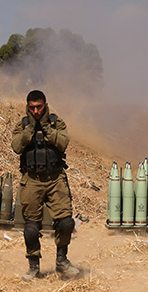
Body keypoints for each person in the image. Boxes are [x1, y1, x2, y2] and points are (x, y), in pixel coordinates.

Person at [11, 90, 79, 281]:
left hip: (55, 178)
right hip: (31, 180)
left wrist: (46, 129)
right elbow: (16, 146)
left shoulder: (57, 123)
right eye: (31, 107)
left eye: (39, 106)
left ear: (45, 104)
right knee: (31, 228)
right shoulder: (22, 125)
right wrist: (30, 130)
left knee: (66, 223)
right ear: (27, 107)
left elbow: (63, 143)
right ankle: (33, 267)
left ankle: (62, 261)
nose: (35, 111)